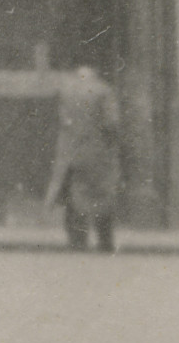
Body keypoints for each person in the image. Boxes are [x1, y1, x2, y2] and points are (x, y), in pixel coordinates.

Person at [50, 60, 127, 251]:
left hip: (70, 151)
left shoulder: (66, 91)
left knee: (74, 197)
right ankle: (105, 241)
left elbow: (60, 120)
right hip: (97, 151)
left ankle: (77, 240)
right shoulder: (103, 91)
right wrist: (114, 145)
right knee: (102, 194)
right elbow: (112, 123)